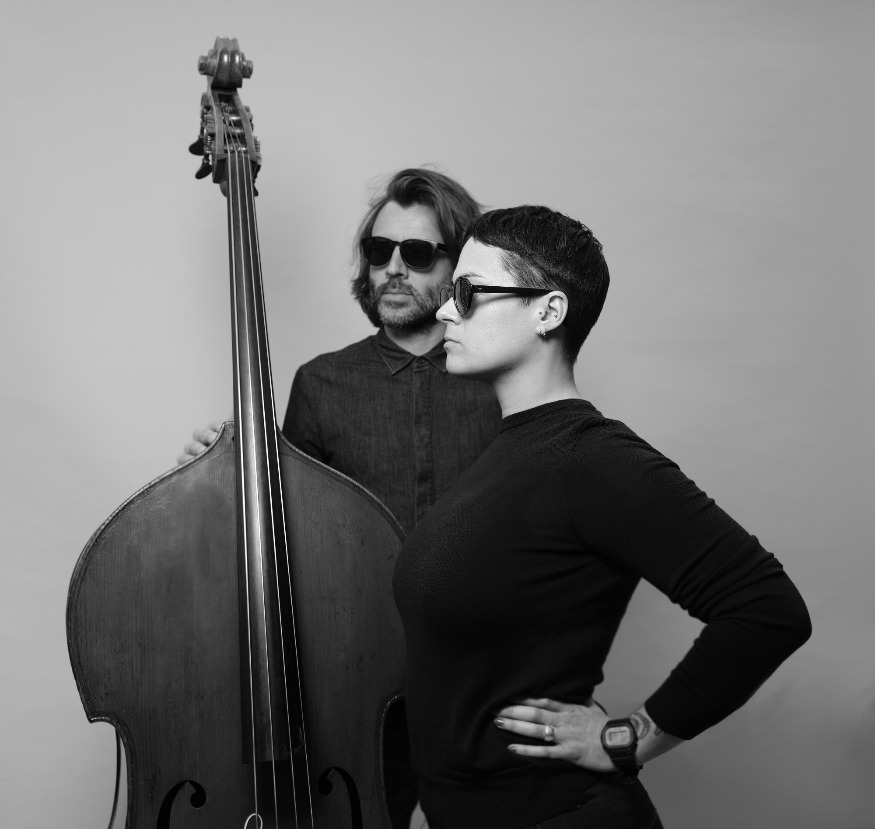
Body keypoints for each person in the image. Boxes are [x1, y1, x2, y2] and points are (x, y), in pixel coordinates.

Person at [392, 205, 812, 829]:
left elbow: (767, 609)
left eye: (468, 292)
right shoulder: (504, 453)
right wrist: (436, 801)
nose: (446, 311)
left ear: (548, 311)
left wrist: (625, 739)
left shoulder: (591, 458)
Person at [179, 168, 503, 828]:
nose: (393, 268)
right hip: (356, 694)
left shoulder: (502, 381)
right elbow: (285, 539)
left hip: (481, 687)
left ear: (460, 267)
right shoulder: (321, 383)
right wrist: (214, 477)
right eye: (379, 251)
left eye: (418, 253)